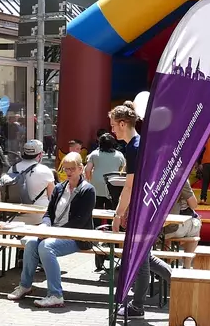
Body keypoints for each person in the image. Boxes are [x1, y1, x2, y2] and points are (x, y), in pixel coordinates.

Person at [7, 152, 96, 308]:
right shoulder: (59, 188)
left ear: (80, 168)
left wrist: (53, 233)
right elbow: (49, 213)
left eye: (72, 169)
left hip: (77, 237)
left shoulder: (88, 190)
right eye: (65, 169)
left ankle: (56, 295)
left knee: (46, 247)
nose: (68, 172)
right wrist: (44, 226)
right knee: (31, 243)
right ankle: (25, 285)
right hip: (53, 233)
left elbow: (81, 220)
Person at [109, 102, 172, 319]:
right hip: (148, 207)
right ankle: (182, 284)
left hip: (142, 211)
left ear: (123, 123)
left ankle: (137, 307)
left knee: (141, 260)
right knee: (145, 257)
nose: (112, 130)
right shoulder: (139, 144)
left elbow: (129, 186)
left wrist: (118, 214)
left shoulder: (134, 147)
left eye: (113, 125)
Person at [85, 132, 126, 271]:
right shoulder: (119, 155)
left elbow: (87, 169)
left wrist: (89, 180)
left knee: (96, 213)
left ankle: (96, 239)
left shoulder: (94, 154)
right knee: (111, 215)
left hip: (96, 187)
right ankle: (111, 240)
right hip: (112, 188)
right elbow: (123, 171)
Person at [8, 140, 55, 225]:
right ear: (40, 155)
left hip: (15, 218)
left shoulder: (12, 169)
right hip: (39, 218)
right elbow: (52, 197)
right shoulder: (45, 171)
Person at [165, 179, 202, 268]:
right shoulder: (181, 178)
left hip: (155, 229)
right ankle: (187, 264)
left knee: (166, 233)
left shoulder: (154, 176)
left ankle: (166, 259)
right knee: (197, 222)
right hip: (172, 228)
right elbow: (194, 205)